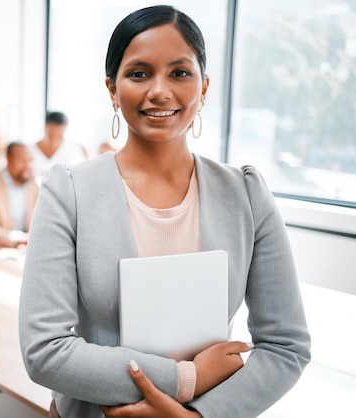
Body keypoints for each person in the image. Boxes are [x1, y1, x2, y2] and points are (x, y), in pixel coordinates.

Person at [19, 5, 311, 418]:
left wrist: (195, 415)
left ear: (204, 88)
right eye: (139, 74)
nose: (160, 90)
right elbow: (44, 351)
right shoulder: (68, 190)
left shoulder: (246, 193)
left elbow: (286, 346)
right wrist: (185, 379)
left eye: (179, 73)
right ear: (112, 89)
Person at [31, 111, 88, 179]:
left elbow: (84, 174)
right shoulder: (30, 150)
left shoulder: (77, 149)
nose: (55, 132)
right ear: (46, 126)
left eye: (58, 129)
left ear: (65, 129)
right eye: (52, 128)